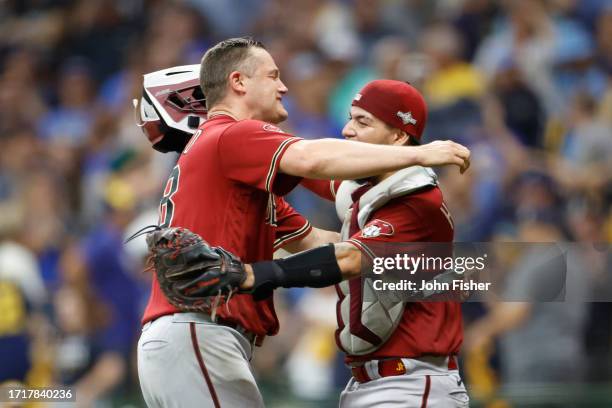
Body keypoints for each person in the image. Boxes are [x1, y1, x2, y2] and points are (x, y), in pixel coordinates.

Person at [136, 37, 470, 407]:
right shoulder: (233, 132)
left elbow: (321, 240)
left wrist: (410, 249)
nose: (284, 86)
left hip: (187, 340)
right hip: (199, 334)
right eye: (272, 76)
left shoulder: (239, 178)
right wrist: (420, 154)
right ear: (239, 83)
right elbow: (313, 161)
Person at [236, 80, 468, 407]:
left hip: (411, 383)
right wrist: (240, 134)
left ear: (399, 136)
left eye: (363, 121)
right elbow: (307, 167)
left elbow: (349, 259)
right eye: (350, 118)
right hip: (378, 382)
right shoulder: (372, 189)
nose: (347, 130)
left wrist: (255, 275)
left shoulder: (415, 200)